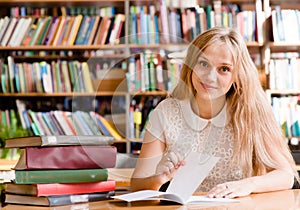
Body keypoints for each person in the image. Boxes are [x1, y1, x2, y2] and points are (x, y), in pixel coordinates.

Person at [130, 26, 299, 198]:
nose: (210, 77)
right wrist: (159, 179)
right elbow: (137, 185)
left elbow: (286, 175)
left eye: (224, 69)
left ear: (237, 76)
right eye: (203, 63)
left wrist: (248, 185)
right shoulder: (166, 111)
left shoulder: (252, 109)